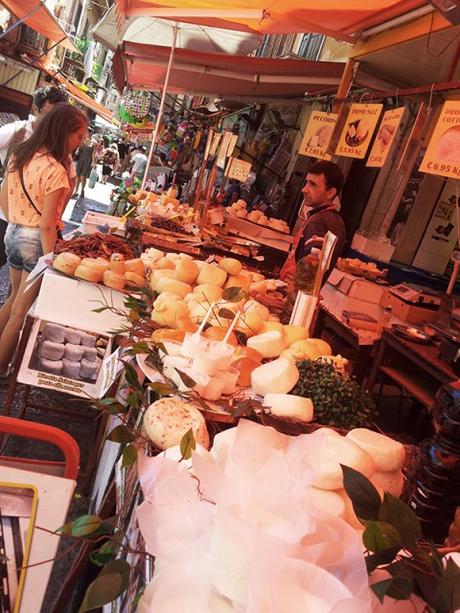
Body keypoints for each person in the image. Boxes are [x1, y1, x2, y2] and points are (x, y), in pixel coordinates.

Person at [0, 104, 88, 377]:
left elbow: (3, 200)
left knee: (13, 298)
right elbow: (48, 223)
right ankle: (1, 366)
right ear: (64, 133)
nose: (80, 143)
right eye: (79, 137)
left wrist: (19, 219)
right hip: (36, 241)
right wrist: (51, 258)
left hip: (13, 232)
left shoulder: (20, 156)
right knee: (21, 310)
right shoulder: (56, 171)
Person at [0, 86, 70, 268]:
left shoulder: (59, 144)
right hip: (5, 217)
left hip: (35, 226)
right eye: (48, 114)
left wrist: (54, 215)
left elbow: (70, 180)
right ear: (35, 109)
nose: (52, 120)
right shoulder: (16, 131)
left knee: (21, 279)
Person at [280, 160, 346, 285]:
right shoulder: (336, 220)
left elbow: (311, 269)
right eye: (306, 182)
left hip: (294, 296)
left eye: (313, 184)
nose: (304, 190)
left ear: (330, 192)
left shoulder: (319, 222)